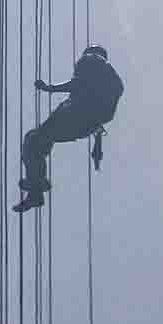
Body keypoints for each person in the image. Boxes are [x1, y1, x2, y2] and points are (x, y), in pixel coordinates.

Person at [14, 45, 122, 211]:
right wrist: (97, 145)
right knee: (41, 141)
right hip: (84, 126)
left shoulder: (91, 59)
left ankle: (36, 187)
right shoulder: (111, 80)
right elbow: (101, 117)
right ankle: (36, 186)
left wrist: (50, 88)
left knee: (33, 141)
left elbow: (77, 83)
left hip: (73, 116)